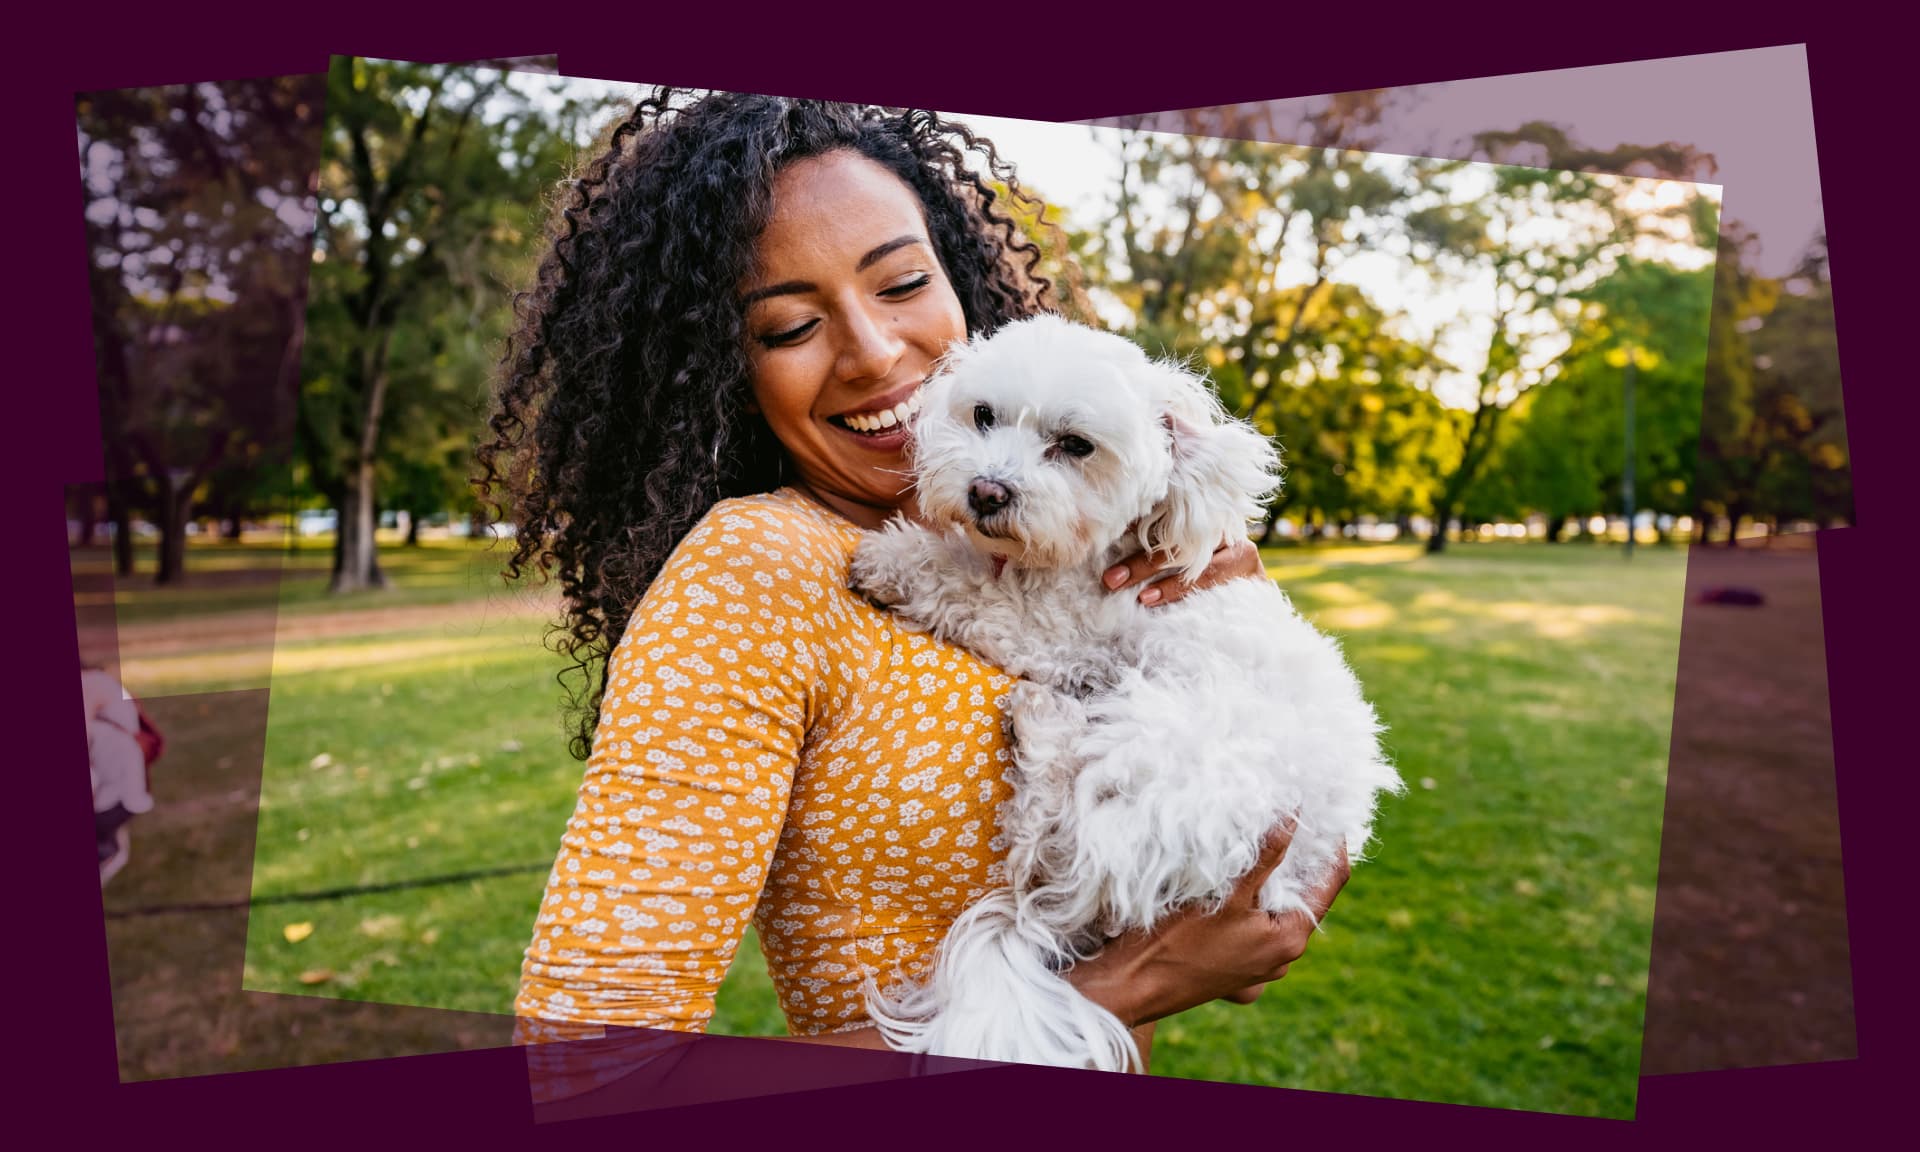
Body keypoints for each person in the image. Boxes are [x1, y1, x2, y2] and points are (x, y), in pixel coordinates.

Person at [480, 91, 1349, 1068]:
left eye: (900, 285)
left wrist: (1219, 605)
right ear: (723, 367)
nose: (876, 352)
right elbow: (586, 1065)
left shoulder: (1060, 539)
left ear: (960, 281)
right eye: (788, 326)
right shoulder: (755, 573)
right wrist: (1132, 984)